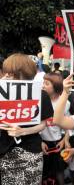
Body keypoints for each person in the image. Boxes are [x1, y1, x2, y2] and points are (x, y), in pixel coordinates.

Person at [0, 53, 54, 185]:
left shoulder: (41, 95)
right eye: (6, 72)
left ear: (22, 73)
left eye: (11, 73)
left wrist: (22, 131)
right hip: (3, 152)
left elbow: (43, 124)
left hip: (29, 153)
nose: (7, 75)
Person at [40, 72, 71, 185]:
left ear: (56, 86)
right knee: (42, 171)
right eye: (43, 82)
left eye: (46, 83)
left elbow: (69, 124)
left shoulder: (65, 103)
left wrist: (64, 140)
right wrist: (39, 142)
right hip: (43, 142)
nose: (43, 85)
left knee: (59, 170)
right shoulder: (39, 100)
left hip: (58, 142)